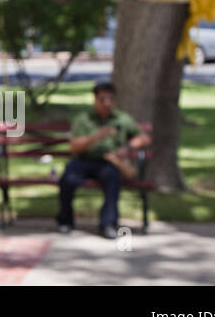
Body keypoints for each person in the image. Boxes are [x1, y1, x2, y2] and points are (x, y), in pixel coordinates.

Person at [56, 81, 151, 238]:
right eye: (102, 99)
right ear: (95, 100)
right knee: (68, 179)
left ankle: (108, 224)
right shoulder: (84, 119)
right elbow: (74, 147)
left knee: (112, 179)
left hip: (108, 161)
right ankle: (65, 221)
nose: (107, 103)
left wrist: (128, 148)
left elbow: (144, 138)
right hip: (84, 159)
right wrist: (95, 137)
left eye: (110, 99)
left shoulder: (122, 119)